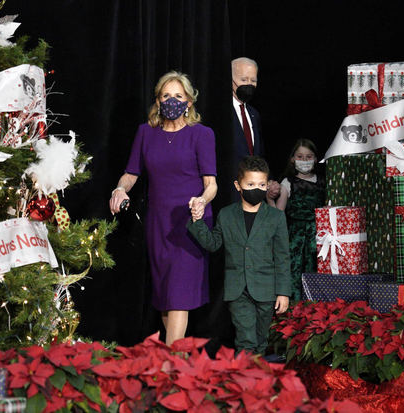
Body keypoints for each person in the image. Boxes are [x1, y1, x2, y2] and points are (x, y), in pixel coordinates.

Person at [109, 71, 217, 346]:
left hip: (191, 221)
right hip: (159, 223)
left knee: (179, 295)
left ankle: (170, 367)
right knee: (166, 297)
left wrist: (202, 201)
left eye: (178, 96)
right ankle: (176, 360)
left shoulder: (202, 134)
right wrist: (120, 189)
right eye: (166, 95)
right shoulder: (146, 133)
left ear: (189, 102)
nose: (172, 100)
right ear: (157, 100)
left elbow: (211, 184)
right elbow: (131, 173)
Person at [187, 156, 290, 354]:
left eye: (261, 184)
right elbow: (213, 243)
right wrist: (197, 221)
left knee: (261, 340)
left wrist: (283, 292)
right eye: (250, 184)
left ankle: (256, 378)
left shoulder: (276, 217)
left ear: (267, 185)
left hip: (266, 289)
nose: (256, 188)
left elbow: (283, 256)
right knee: (246, 340)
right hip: (238, 290)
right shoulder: (226, 214)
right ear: (238, 185)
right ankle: (247, 381)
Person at [267, 139, 325, 301]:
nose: (304, 160)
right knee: (294, 272)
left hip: (319, 238)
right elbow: (278, 214)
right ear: (292, 159)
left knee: (315, 272)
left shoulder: (323, 182)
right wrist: (269, 199)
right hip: (295, 238)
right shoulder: (288, 183)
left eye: (309, 157)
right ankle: (293, 312)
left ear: (315, 159)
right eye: (300, 156)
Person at [230, 57, 280, 203]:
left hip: (253, 195)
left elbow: (258, 154)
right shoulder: (219, 113)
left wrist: (268, 180)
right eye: (244, 80)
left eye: (253, 81)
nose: (249, 85)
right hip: (229, 192)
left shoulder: (254, 114)